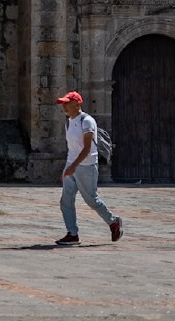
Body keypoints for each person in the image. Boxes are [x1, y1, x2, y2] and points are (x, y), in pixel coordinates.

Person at [54, 90, 123, 245]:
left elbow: (86, 149)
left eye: (67, 103)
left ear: (77, 104)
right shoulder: (68, 122)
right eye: (63, 103)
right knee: (66, 201)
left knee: (91, 200)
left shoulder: (87, 121)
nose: (64, 106)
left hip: (86, 166)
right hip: (72, 165)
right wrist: (68, 168)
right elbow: (72, 148)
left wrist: (73, 166)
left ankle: (113, 222)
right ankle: (72, 234)